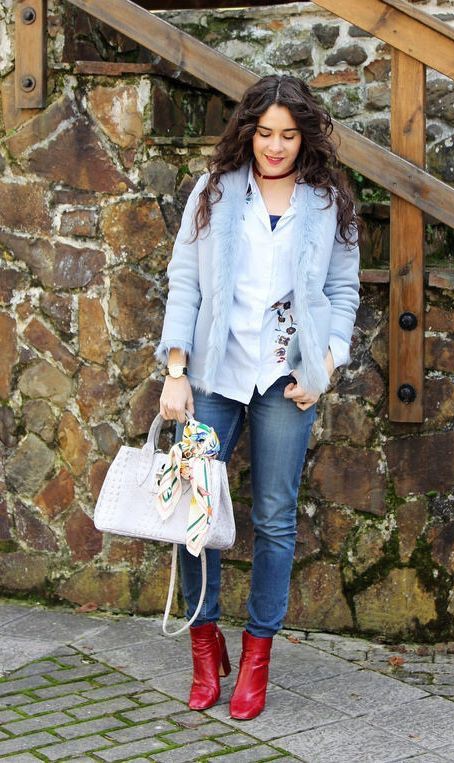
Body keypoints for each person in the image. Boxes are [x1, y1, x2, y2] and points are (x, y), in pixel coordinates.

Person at [156, 74, 360, 720]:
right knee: (196, 514)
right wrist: (175, 369)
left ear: (305, 138)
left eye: (288, 135)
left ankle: (256, 655)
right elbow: (185, 279)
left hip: (283, 380)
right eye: (265, 133)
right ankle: (202, 639)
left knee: (273, 517)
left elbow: (344, 292)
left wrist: (323, 366)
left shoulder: (327, 202)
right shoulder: (214, 192)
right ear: (248, 132)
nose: (274, 147)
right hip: (214, 374)